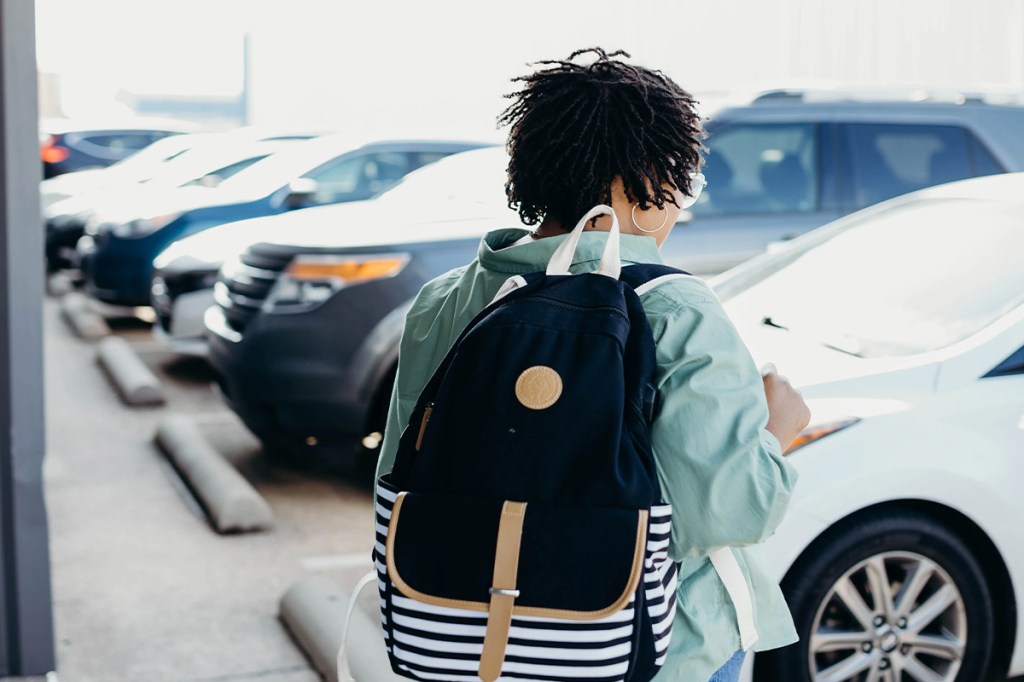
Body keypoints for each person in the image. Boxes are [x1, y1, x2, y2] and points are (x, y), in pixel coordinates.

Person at [375, 47, 811, 682]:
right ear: (644, 182)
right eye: (681, 182)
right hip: (644, 650)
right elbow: (725, 510)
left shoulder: (446, 299)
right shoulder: (674, 307)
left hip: (456, 639)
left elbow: (402, 471)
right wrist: (778, 431)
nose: (681, 205)